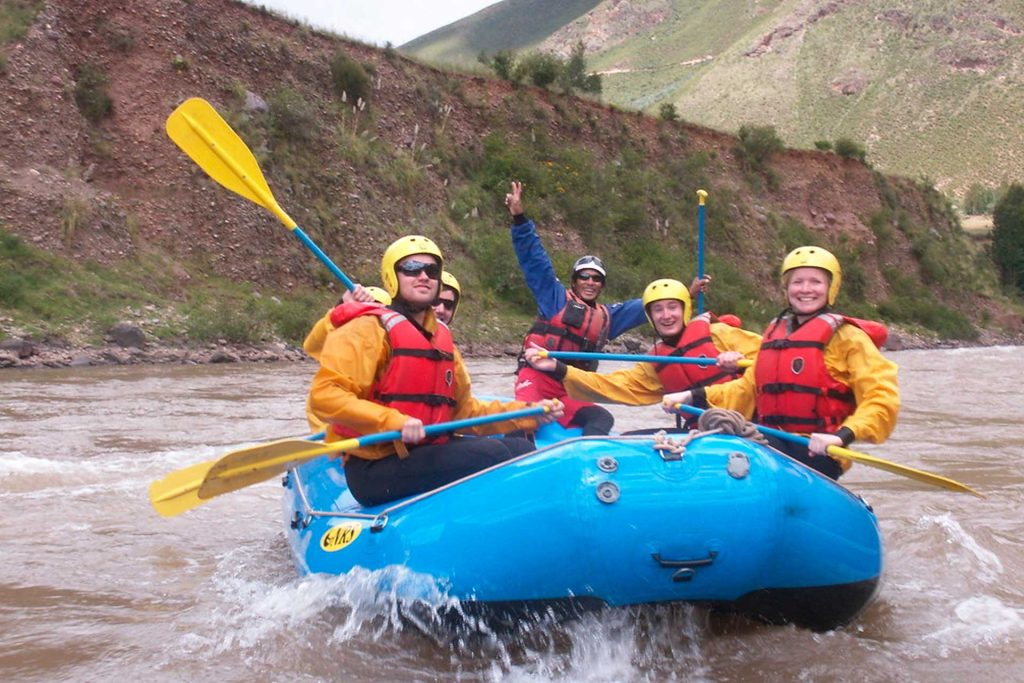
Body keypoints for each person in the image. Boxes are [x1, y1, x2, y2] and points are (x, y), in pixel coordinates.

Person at [308, 235, 564, 506]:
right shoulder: (366, 329)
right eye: (411, 268)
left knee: (520, 448)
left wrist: (530, 413)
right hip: (375, 466)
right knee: (493, 454)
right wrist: (394, 421)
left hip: (426, 451)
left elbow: (466, 412)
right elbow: (325, 396)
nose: (423, 276)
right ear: (392, 277)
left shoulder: (441, 338)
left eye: (431, 270)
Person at [662, 246, 899, 480]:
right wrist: (690, 396)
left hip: (817, 452)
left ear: (830, 287)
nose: (805, 289)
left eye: (816, 282)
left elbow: (880, 397)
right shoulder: (776, 333)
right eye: (797, 282)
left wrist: (842, 436)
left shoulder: (848, 338)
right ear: (787, 288)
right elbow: (745, 389)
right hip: (768, 441)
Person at [505, 180, 709, 436]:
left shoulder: (607, 317)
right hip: (534, 380)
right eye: (584, 277)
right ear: (575, 281)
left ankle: (589, 469)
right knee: (526, 421)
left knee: (602, 419)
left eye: (596, 278)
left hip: (567, 388)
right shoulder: (553, 298)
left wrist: (686, 294)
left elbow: (649, 305)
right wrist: (520, 219)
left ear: (602, 285)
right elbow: (534, 261)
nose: (590, 282)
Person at [523, 278, 761, 430]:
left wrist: (739, 364)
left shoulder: (718, 333)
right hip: (702, 434)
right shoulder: (657, 362)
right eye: (657, 310)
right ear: (650, 316)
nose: (666, 316)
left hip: (745, 425)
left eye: (672, 307)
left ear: (685, 309)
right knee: (632, 438)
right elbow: (612, 385)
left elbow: (769, 359)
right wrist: (558, 367)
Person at [304, 284, 392, 432]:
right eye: (361, 312)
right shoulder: (337, 331)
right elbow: (311, 345)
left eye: (373, 314)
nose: (366, 319)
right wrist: (342, 308)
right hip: (330, 429)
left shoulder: (389, 344)